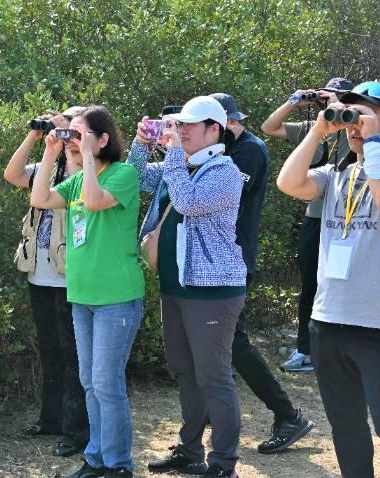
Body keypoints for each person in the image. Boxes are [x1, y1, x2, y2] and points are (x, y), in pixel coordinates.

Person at [277, 81, 380, 477]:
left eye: (367, 115)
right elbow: (289, 183)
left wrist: (374, 143)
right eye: (351, 115)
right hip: (327, 323)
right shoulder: (334, 175)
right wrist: (317, 130)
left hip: (379, 327)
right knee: (346, 427)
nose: (355, 124)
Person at [129, 96, 247, 478]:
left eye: (187, 126)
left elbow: (187, 202)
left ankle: (224, 462)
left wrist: (174, 155)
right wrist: (141, 143)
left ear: (214, 129)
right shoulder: (180, 164)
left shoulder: (225, 171)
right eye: (176, 126)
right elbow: (134, 178)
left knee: (213, 376)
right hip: (177, 286)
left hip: (212, 291)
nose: (178, 131)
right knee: (184, 371)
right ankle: (190, 450)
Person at [31, 106, 144, 478]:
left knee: (106, 384)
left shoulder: (124, 174)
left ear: (104, 139)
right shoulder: (77, 181)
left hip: (116, 298)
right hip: (83, 298)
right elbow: (40, 199)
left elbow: (95, 202)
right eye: (70, 134)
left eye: (79, 134)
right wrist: (50, 152)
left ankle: (118, 464)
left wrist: (88, 160)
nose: (73, 141)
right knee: (89, 383)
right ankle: (96, 457)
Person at [211, 93, 314, 455]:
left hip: (234, 258)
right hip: (216, 260)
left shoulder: (250, 150)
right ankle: (213, 410)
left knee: (234, 342)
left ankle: (288, 415)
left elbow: (224, 193)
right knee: (217, 342)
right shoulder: (225, 148)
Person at [3, 107, 90, 457]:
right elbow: (12, 175)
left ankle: (76, 430)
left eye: (68, 121)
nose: (60, 125)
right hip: (40, 274)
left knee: (73, 355)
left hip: (70, 276)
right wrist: (36, 136)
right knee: (50, 351)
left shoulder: (83, 165)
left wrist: (69, 140)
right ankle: (50, 419)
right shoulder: (47, 165)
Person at [262, 78, 355, 372]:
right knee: (310, 285)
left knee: (341, 285)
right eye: (328, 96)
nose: (330, 102)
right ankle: (307, 351)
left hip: (348, 222)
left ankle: (342, 352)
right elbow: (269, 127)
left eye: (338, 97)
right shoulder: (313, 129)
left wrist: (343, 108)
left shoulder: (356, 129)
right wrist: (295, 102)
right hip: (315, 218)